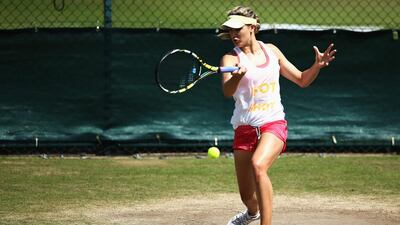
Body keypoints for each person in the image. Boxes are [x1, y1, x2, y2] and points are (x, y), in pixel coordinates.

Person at [219, 6, 336, 225]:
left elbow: (302, 79)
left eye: (238, 29)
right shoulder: (229, 59)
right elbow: (227, 91)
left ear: (252, 27)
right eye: (230, 31)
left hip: (272, 124)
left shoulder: (271, 51)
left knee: (258, 166)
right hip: (244, 128)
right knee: (247, 197)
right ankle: (253, 213)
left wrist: (317, 66)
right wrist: (237, 77)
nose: (234, 35)